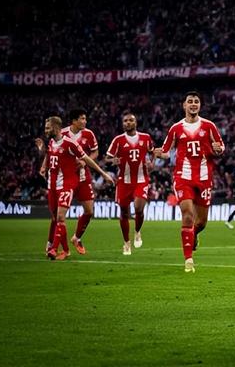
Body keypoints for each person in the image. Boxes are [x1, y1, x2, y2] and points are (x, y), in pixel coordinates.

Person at [155, 91, 225, 273]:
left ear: (199, 105)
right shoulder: (176, 128)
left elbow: (221, 147)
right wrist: (158, 153)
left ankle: (193, 235)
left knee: (201, 223)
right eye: (190, 101)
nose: (193, 104)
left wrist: (218, 149)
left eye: (196, 101)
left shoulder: (209, 126)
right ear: (184, 105)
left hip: (204, 178)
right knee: (187, 215)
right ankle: (188, 260)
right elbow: (166, 151)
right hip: (183, 177)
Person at [41, 116, 113, 260]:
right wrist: (44, 166)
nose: (45, 131)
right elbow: (50, 155)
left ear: (56, 128)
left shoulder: (70, 143)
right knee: (56, 218)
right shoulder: (51, 142)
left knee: (61, 217)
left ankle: (54, 249)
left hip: (66, 184)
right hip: (52, 185)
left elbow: (87, 158)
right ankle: (63, 249)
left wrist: (104, 174)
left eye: (48, 128)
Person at [105, 112, 155, 255]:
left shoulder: (145, 138)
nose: (128, 122)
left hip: (141, 179)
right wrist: (112, 161)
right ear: (123, 124)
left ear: (135, 123)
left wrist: (152, 163)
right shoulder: (118, 140)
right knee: (124, 212)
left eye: (130, 120)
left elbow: (153, 151)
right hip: (124, 181)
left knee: (139, 208)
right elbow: (107, 159)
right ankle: (126, 242)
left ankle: (137, 231)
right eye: (125, 121)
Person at [62, 108, 100, 255]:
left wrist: (85, 162)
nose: (85, 121)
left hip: (84, 177)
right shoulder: (63, 134)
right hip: (66, 177)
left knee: (89, 211)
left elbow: (95, 152)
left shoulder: (89, 134)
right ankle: (53, 245)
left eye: (85, 118)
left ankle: (76, 238)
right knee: (59, 215)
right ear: (74, 121)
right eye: (82, 119)